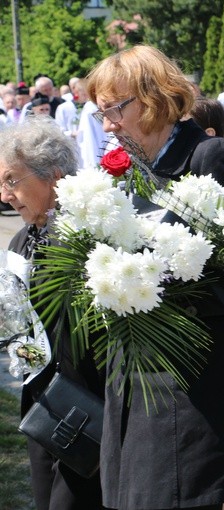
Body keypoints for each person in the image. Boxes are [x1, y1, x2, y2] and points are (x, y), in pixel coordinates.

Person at [87, 45, 224, 510]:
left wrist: (160, 286)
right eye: (101, 113)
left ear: (152, 98)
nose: (108, 124)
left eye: (114, 110)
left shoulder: (209, 158)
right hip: (139, 381)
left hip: (199, 389)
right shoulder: (129, 171)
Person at [1, 116, 104, 509]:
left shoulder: (88, 236)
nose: (5, 194)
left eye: (13, 180)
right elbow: (18, 327)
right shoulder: (22, 239)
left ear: (54, 176)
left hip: (87, 408)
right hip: (43, 406)